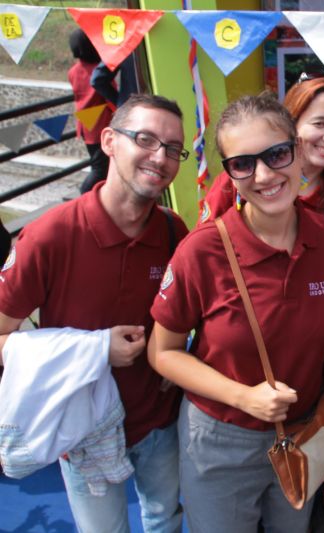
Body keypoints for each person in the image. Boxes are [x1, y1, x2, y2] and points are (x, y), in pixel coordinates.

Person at [148, 94, 324, 532]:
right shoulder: (201, 251)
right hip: (220, 441)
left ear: (298, 151)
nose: (263, 175)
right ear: (229, 172)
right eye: (243, 164)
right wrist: (244, 396)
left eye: (277, 154)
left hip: (301, 432)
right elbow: (163, 352)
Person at [0, 94, 188, 533]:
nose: (160, 157)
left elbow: (182, 313)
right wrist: (94, 350)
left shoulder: (172, 230)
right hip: (80, 428)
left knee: (165, 519)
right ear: (108, 141)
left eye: (174, 148)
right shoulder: (48, 236)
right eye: (145, 139)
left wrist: (173, 356)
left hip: (158, 418)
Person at [202, 78, 324, 357]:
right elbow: (202, 265)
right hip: (235, 345)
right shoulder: (237, 182)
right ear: (292, 127)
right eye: (319, 123)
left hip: (308, 355)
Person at [68, 28, 114, 195]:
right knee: (101, 168)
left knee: (99, 164)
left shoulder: (73, 71)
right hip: (102, 124)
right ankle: (85, 195)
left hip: (86, 124)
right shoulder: (99, 70)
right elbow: (110, 96)